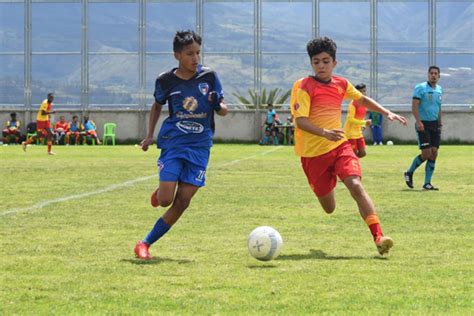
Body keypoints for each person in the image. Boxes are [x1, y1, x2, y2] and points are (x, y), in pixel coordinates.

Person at [290, 37, 407, 255]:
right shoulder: (303, 86)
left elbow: (362, 99)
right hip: (312, 155)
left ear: (334, 62)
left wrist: (386, 112)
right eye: (316, 62)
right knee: (329, 208)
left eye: (326, 61)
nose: (321, 66)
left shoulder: (341, 84)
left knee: (355, 185)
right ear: (311, 63)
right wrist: (324, 132)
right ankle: (330, 181)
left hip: (340, 146)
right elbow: (300, 121)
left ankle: (379, 237)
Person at [134, 30, 228, 260]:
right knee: (166, 200)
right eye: (189, 54)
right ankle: (160, 193)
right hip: (174, 143)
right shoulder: (165, 80)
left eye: (197, 53)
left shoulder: (210, 77)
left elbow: (224, 110)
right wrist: (149, 135)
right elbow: (157, 105)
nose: (195, 58)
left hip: (200, 147)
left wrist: (218, 105)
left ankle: (144, 243)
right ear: (177, 55)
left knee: (182, 202)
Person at [404, 66, 443, 191]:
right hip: (423, 124)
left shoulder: (439, 89)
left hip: (435, 124)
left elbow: (438, 106)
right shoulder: (420, 88)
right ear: (428, 74)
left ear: (439, 76)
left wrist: (440, 120)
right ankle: (409, 172)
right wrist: (418, 121)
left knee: (434, 152)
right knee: (426, 153)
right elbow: (414, 106)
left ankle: (427, 183)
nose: (433, 75)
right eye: (431, 73)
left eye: (436, 73)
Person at [343, 83, 371, 158]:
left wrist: (363, 125)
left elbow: (361, 117)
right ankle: (352, 166)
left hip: (358, 133)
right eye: (362, 91)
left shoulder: (363, 104)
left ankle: (349, 162)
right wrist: (364, 122)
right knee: (354, 154)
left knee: (362, 153)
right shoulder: (352, 104)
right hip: (350, 133)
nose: (364, 93)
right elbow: (350, 119)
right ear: (356, 92)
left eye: (365, 91)